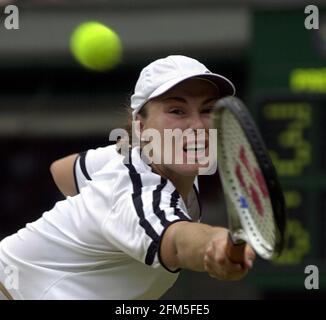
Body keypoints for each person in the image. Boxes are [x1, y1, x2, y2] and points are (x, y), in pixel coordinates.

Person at [0, 55, 255, 300]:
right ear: (141, 127)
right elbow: (178, 242)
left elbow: (62, 169)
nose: (197, 125)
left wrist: (92, 228)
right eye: (177, 111)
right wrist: (216, 243)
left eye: (208, 109)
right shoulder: (138, 195)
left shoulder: (134, 156)